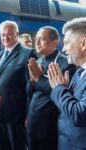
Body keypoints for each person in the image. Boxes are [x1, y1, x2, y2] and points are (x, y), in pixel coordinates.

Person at [26, 26, 76, 150]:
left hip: (50, 124)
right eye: (36, 38)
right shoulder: (38, 62)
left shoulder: (66, 63)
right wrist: (32, 82)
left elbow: (62, 93)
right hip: (33, 120)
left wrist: (38, 79)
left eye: (41, 39)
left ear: (55, 42)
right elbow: (30, 93)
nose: (36, 42)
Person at [0, 20, 37, 150]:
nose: (5, 38)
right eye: (2, 34)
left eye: (9, 34)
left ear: (17, 34)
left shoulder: (28, 53)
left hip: (16, 116)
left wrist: (28, 114)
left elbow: (32, 87)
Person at [47, 17, 86, 150]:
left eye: (67, 43)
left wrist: (59, 88)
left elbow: (79, 114)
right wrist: (64, 89)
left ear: (83, 44)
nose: (64, 49)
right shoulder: (80, 71)